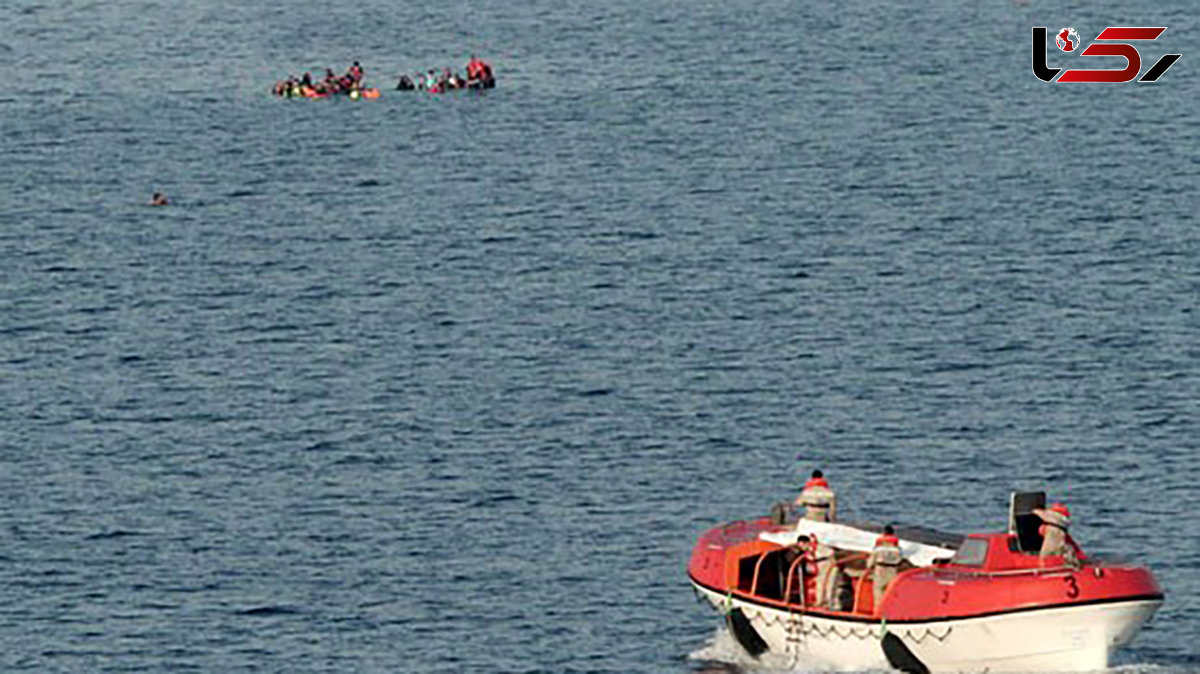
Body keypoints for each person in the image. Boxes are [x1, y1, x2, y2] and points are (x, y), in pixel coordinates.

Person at [867, 524, 903, 610]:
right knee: (890, 592)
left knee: (878, 591)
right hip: (892, 570)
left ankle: (878, 612)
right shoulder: (897, 547)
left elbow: (872, 559)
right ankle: (891, 611)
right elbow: (900, 558)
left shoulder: (878, 546)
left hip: (880, 569)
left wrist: (869, 566)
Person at [1033, 502, 1079, 568]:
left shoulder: (1052, 517)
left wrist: (1033, 509)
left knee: (1044, 557)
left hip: (1051, 546)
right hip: (1061, 545)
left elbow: (1036, 511)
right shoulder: (1064, 523)